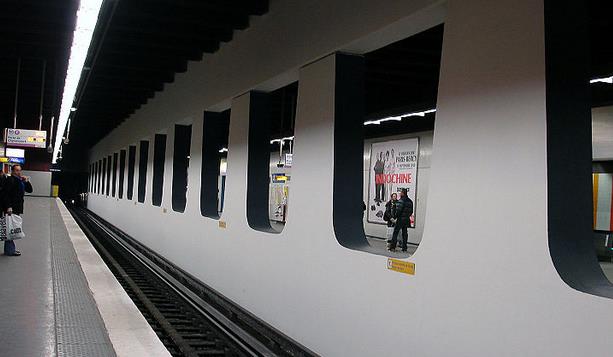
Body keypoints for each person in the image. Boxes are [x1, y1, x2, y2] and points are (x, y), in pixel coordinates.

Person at [3, 164, 33, 256]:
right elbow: (5, 194)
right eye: (16, 170)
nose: (18, 172)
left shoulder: (20, 181)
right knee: (10, 228)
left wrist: (26, 181)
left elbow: (30, 190)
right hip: (11, 208)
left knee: (11, 228)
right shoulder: (10, 180)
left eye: (19, 170)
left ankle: (10, 250)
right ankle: (10, 251)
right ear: (12, 171)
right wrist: (8, 206)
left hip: (17, 207)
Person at [388, 188, 413, 252]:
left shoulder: (401, 201)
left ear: (402, 193)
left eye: (400, 192)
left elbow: (398, 210)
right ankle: (404, 248)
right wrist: (407, 216)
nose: (399, 193)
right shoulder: (410, 201)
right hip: (406, 219)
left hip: (400, 219)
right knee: (405, 233)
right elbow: (411, 211)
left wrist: (395, 216)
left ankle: (392, 247)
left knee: (395, 232)